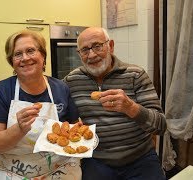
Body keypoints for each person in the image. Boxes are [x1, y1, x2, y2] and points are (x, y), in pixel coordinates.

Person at [63, 27, 167, 180]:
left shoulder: (135, 75)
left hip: (139, 159)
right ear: (79, 54)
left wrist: (130, 108)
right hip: (96, 161)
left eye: (97, 46)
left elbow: (161, 126)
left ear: (110, 46)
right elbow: (60, 118)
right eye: (84, 50)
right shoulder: (71, 81)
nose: (91, 54)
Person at [0, 30, 82, 179]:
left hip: (57, 168)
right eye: (17, 54)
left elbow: (75, 128)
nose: (25, 58)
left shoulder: (60, 88)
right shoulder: (2, 90)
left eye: (30, 51)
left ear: (42, 56)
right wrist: (19, 128)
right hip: (14, 169)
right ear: (12, 62)